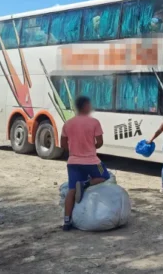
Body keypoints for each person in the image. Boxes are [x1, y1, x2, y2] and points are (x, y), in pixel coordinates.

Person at [60, 96, 110, 231]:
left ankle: (66, 222)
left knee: (71, 190)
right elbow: (100, 142)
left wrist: (74, 149)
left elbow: (63, 144)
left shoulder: (68, 123)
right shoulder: (94, 122)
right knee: (105, 175)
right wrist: (90, 147)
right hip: (92, 161)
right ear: (86, 106)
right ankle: (85, 184)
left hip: (73, 162)